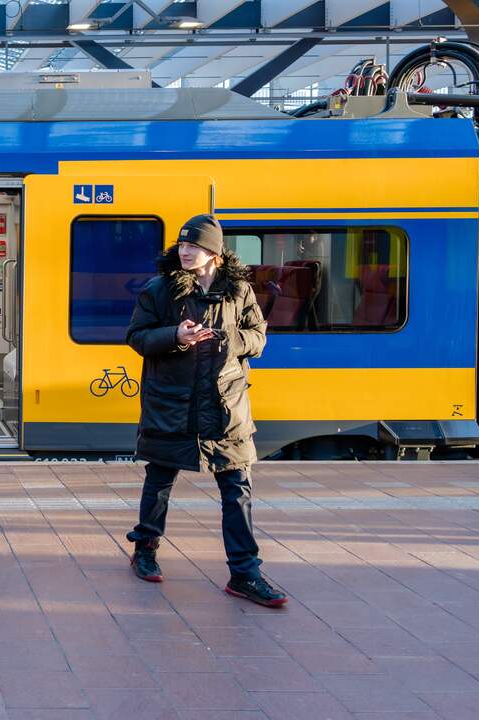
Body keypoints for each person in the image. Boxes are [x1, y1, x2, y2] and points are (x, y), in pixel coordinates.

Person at [125, 214, 288, 608]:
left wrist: (229, 338)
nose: (184, 251)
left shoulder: (240, 292)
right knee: (160, 478)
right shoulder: (159, 290)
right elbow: (136, 337)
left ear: (213, 253)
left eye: (193, 246)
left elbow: (258, 338)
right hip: (173, 402)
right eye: (182, 245)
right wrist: (174, 336)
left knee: (237, 490)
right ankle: (145, 547)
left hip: (224, 406)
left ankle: (245, 574)